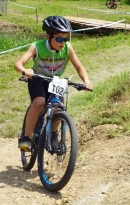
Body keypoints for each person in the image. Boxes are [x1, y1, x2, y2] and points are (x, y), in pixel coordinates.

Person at [14, 16, 93, 152]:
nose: (63, 42)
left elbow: (79, 67)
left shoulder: (67, 48)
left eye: (66, 38)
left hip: (55, 82)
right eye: (59, 39)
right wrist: (24, 70)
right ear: (48, 36)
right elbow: (18, 64)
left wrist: (86, 81)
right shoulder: (37, 46)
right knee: (39, 102)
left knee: (59, 108)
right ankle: (26, 137)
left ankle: (53, 136)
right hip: (37, 79)